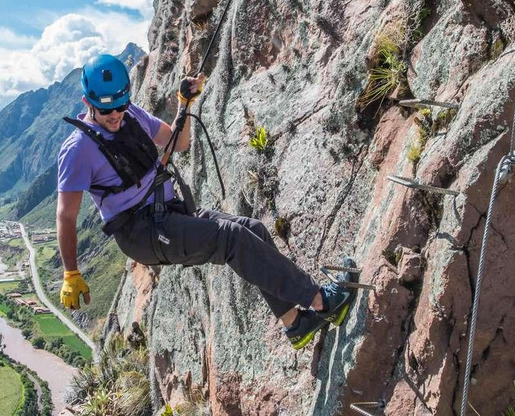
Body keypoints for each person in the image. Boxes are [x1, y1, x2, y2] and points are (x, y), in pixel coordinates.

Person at [56, 54, 354, 349]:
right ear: (87, 103)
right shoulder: (78, 150)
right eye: (105, 110)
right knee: (232, 239)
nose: (115, 115)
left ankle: (296, 324)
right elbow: (66, 217)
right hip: (140, 232)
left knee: (253, 229)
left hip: (167, 212)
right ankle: (322, 302)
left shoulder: (132, 115)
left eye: (120, 106)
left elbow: (178, 142)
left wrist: (185, 104)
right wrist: (71, 272)